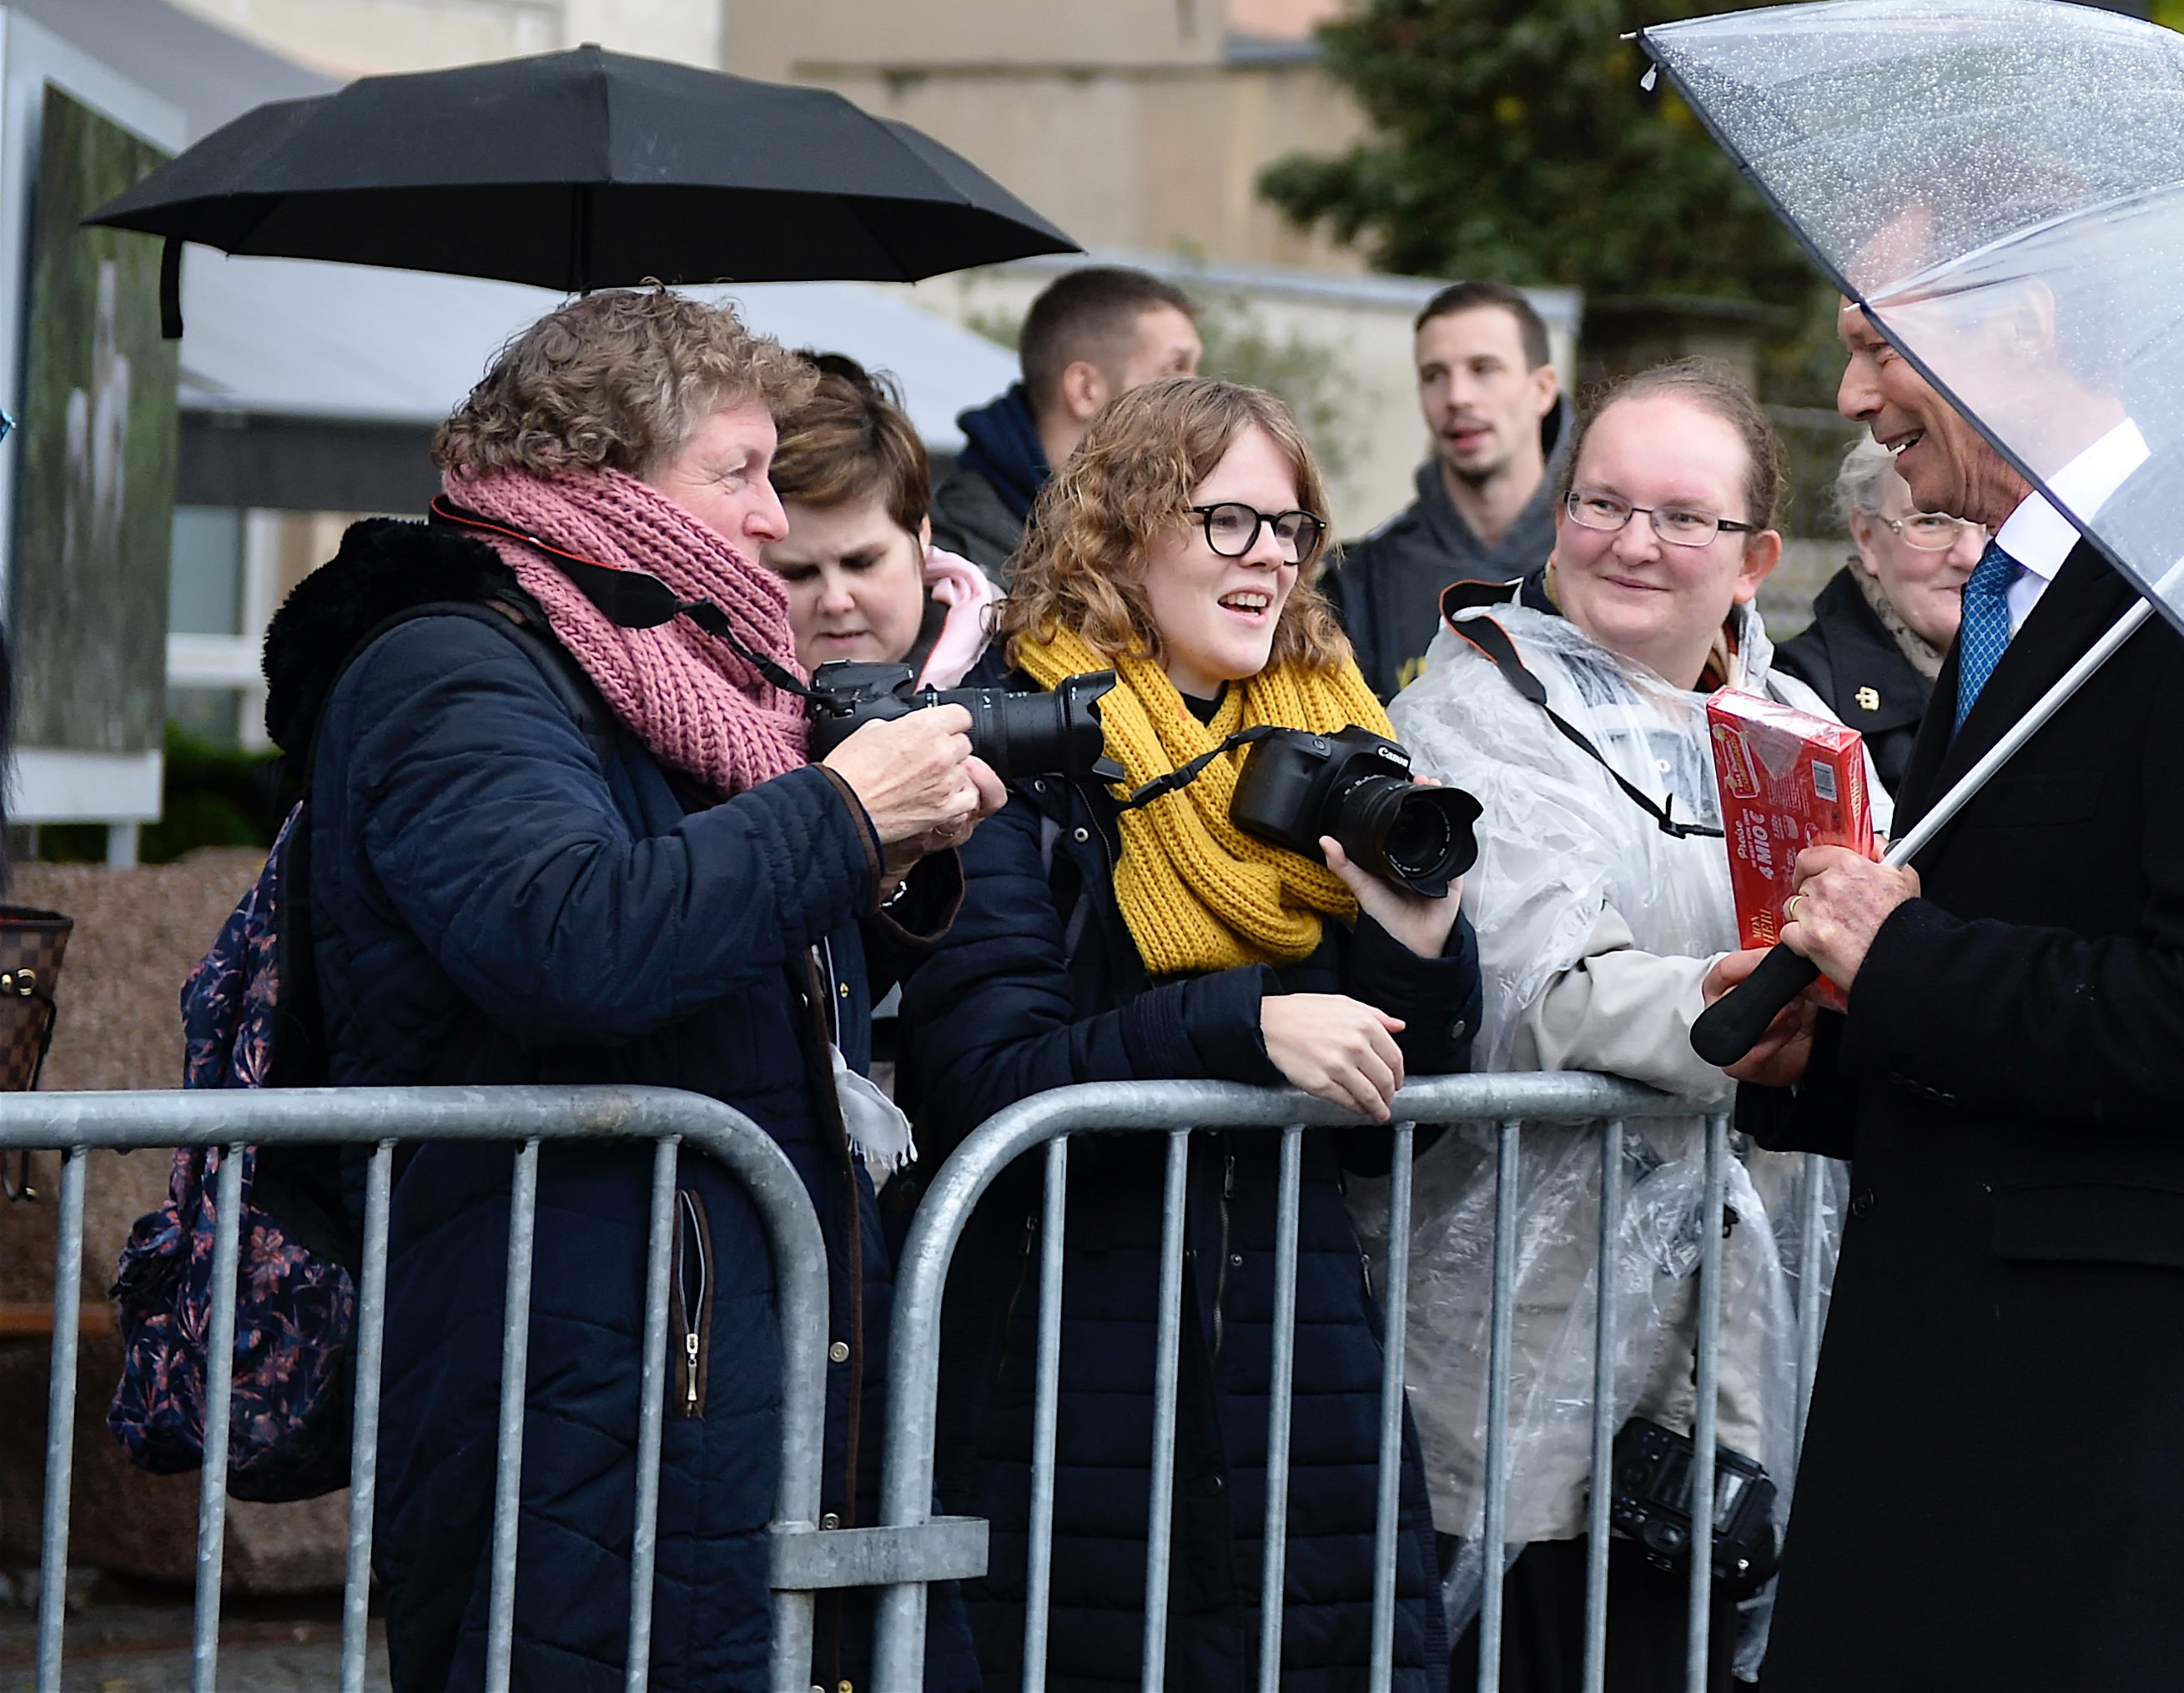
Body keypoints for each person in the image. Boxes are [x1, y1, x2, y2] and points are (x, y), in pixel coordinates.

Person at [277, 289, 1002, 1691]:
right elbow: (571, 939)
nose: (770, 520)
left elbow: (729, 954)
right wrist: (841, 818)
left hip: (688, 1329)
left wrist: (888, 866)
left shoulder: (664, 664)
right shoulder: (451, 664)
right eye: (738, 474)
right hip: (570, 1355)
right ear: (601, 470)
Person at [1729, 292, 2184, 1689]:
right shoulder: (2023, 596)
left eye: (1877, 345)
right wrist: (1826, 1051)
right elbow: (2042, 943)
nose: (1850, 396)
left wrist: (1903, 961)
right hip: (1970, 1386)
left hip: (2110, 1429)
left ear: (2017, 319)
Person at [898, 377, 1481, 1691]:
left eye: (1290, 526)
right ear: (1122, 527)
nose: (1268, 555)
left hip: (1302, 1380)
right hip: (1068, 1375)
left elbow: (1403, 1122)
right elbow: (990, 1085)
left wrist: (1416, 944)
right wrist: (1243, 1025)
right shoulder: (1017, 750)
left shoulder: (1335, 738)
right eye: (1226, 520)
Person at [1389, 360, 1873, 1692]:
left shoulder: (1802, 732)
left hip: (1737, 1349)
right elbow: (1540, 992)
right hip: (1521, 1342)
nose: (1634, 543)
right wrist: (1746, 1009)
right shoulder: (1469, 715)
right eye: (1602, 502)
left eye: (1684, 516)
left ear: (1757, 557)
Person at [1328, 281, 1565, 699]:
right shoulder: (1362, 583)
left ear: (1542, 389)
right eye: (1434, 376)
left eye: (1483, 369)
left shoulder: (1604, 560)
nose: (1457, 397)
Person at [930, 267, 1201, 577]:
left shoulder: (1154, 526)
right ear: (1085, 389)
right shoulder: (959, 569)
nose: (1196, 394)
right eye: (1175, 370)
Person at [766, 351, 997, 686]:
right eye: (798, 573)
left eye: (862, 563)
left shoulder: (1020, 668)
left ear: (921, 536)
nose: (836, 600)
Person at [1771, 434, 1982, 786]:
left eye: (1992, 522)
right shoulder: (1796, 699)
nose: (1972, 556)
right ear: (1866, 536)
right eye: (1930, 521)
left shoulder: (2061, 675)